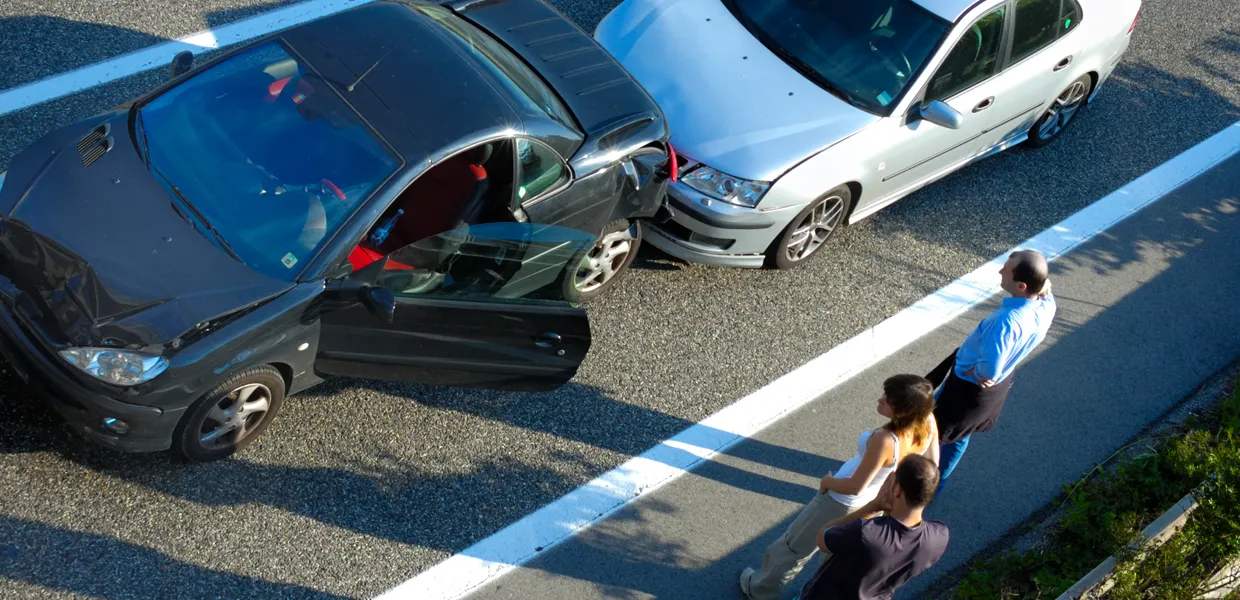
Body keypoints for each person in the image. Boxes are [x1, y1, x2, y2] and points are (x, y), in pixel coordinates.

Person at [739, 375, 940, 600]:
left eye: (888, 400)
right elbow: (932, 464)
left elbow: (856, 486)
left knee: (794, 547)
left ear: (903, 411)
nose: (880, 399)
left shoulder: (886, 440)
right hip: (871, 502)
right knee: (833, 556)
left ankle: (760, 590)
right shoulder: (927, 422)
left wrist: (827, 482)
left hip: (840, 501)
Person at [930, 249, 1057, 490]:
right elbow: (1046, 287)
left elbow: (988, 372)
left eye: (1006, 270)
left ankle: (912, 485)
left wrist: (973, 372)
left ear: (1021, 286)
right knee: (959, 436)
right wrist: (1044, 285)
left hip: (965, 390)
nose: (1000, 271)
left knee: (932, 432)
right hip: (994, 391)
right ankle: (937, 484)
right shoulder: (1046, 307)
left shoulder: (1006, 322)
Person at [793, 455, 950, 600]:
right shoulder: (939, 537)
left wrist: (872, 507)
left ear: (897, 490)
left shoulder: (865, 532)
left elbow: (823, 538)